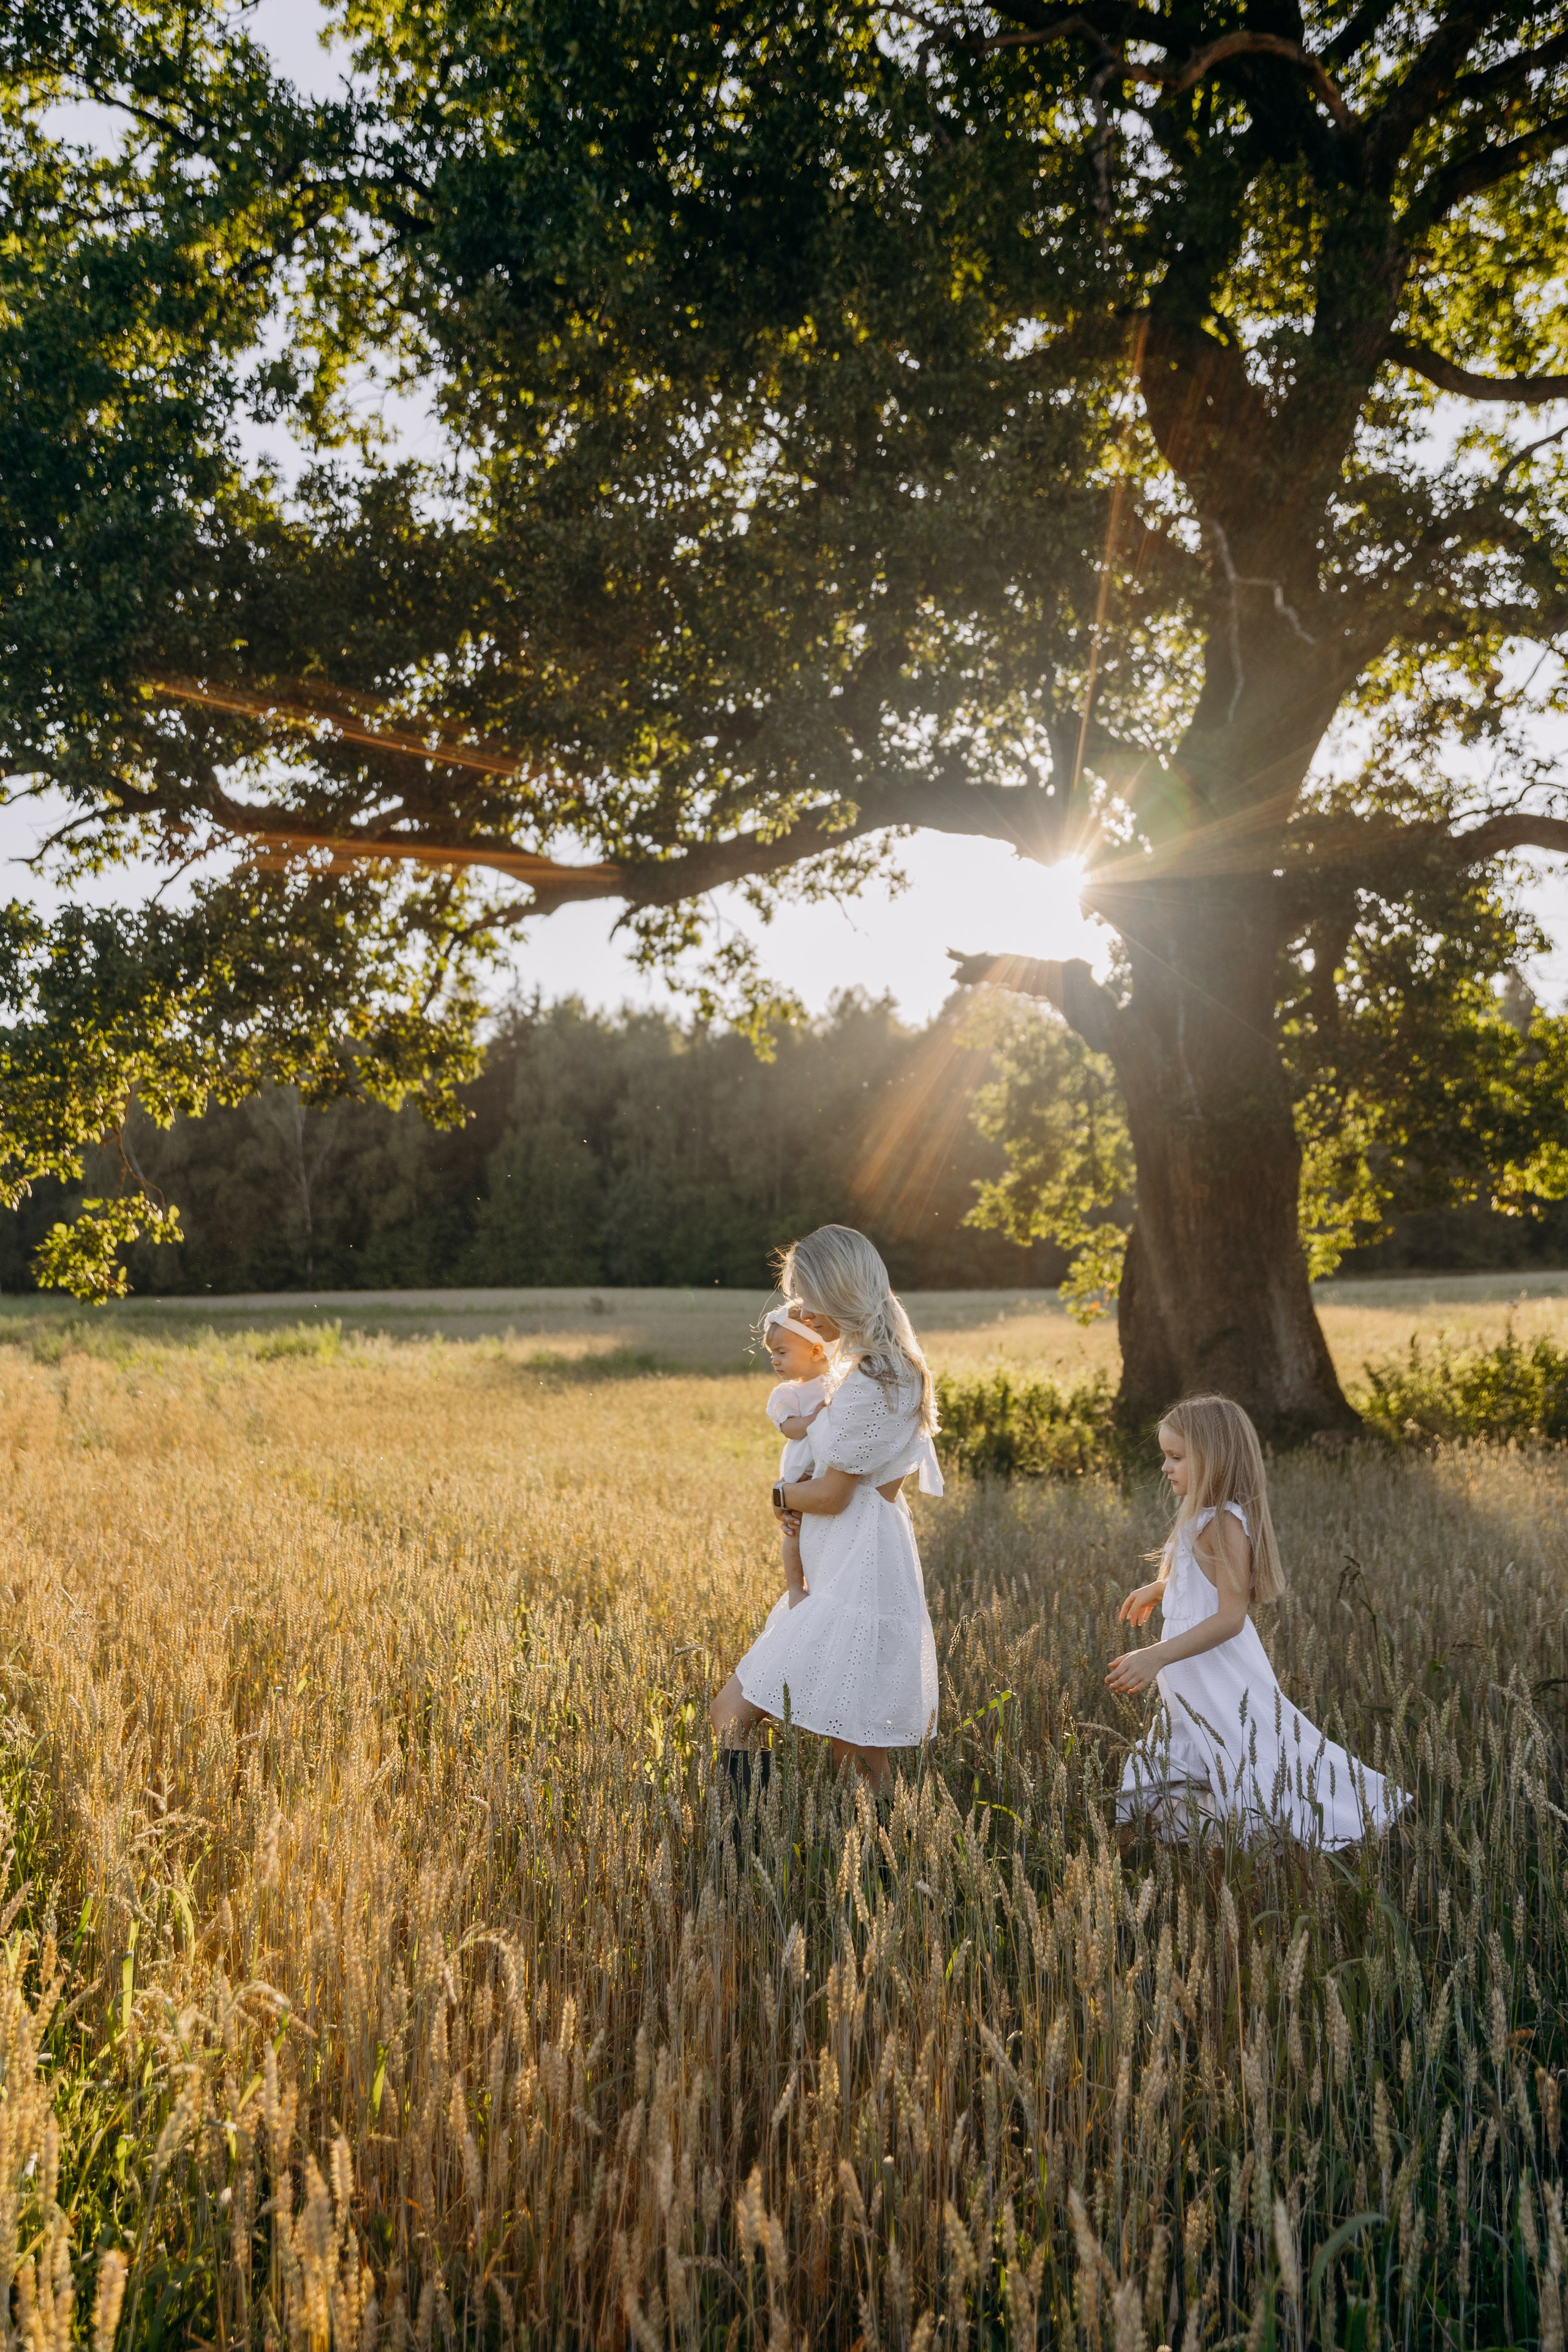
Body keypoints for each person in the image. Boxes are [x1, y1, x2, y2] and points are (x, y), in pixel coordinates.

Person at [1109, 1393, 1408, 1848]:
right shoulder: (1202, 1519)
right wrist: (1160, 1588)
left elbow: (1230, 1617)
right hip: (1192, 1680)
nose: (1166, 1468)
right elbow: (1203, 1586)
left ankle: (1354, 1821)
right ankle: (1208, 1842)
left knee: (1255, 1755)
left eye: (1176, 1457)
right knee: (1195, 1767)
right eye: (1165, 1457)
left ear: (1213, 1459)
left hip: (1219, 1674)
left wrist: (1156, 1655)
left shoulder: (1227, 1523)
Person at [710, 1225, 943, 1796]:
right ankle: (760, 1850)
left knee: (747, 1722)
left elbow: (836, 1495)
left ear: (840, 1292)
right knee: (855, 1759)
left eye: (809, 1299)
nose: (803, 1314)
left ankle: (748, 1849)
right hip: (845, 1566)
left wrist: (781, 1495)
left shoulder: (875, 1378)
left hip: (856, 1575)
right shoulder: (878, 1366)